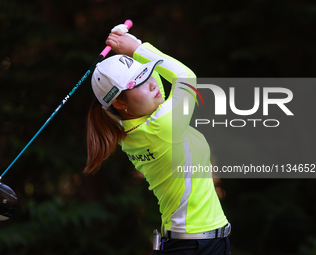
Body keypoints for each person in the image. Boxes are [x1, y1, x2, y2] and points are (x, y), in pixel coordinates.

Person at [84, 23, 231, 255]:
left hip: (192, 242)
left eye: (146, 73)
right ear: (120, 104)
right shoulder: (162, 126)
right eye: (138, 82)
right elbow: (185, 77)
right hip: (196, 245)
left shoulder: (129, 129)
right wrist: (136, 48)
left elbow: (158, 89)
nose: (151, 82)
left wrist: (130, 54)